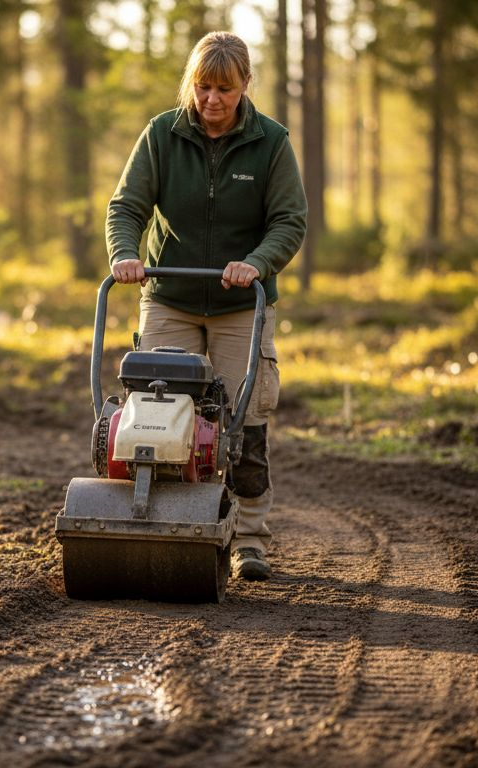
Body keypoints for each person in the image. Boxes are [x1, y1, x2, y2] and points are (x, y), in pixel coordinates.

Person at [105, 31, 307, 581]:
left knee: (244, 423)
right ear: (190, 84)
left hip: (241, 303)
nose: (212, 100)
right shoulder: (161, 135)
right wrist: (124, 254)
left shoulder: (271, 142)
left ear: (245, 86)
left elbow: (289, 221)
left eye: (224, 89)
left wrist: (257, 263)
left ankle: (249, 540)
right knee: (156, 411)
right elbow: (126, 206)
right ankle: (155, 523)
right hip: (170, 296)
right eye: (202, 87)